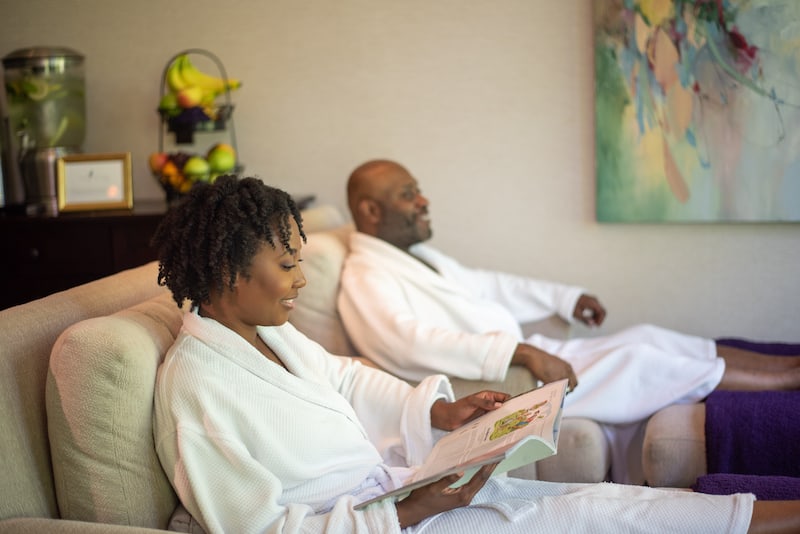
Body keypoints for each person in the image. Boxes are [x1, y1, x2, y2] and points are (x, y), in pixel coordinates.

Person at [150, 175, 799, 534]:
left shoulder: (271, 335)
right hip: (382, 522)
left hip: (397, 494)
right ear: (231, 272)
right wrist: (410, 511)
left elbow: (347, 380)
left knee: (601, 499)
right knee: (592, 517)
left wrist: (441, 415)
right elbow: (256, 531)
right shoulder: (197, 387)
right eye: (288, 264)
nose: (300, 280)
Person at [337, 159, 800, 483]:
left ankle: (782, 366)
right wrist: (520, 352)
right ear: (371, 211)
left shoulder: (414, 257)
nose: (423, 199)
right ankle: (783, 383)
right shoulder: (365, 275)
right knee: (638, 359)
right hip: (494, 386)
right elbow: (406, 343)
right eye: (407, 193)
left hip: (512, 363)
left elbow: (490, 285)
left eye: (417, 188)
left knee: (645, 335)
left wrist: (565, 297)